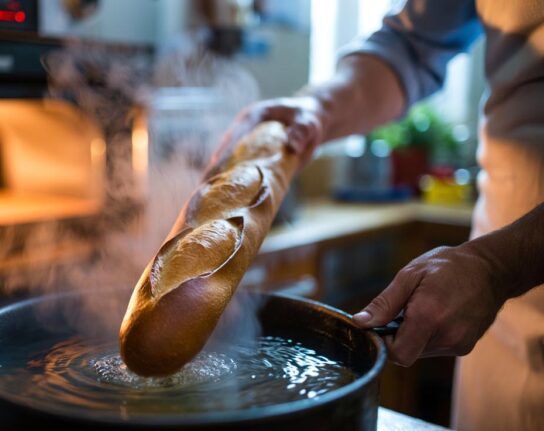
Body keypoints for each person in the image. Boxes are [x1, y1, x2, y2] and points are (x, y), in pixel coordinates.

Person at [221, 1, 544, 429]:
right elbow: (410, 45)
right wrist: (319, 109)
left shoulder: (494, 264)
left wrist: (500, 263)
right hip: (496, 279)